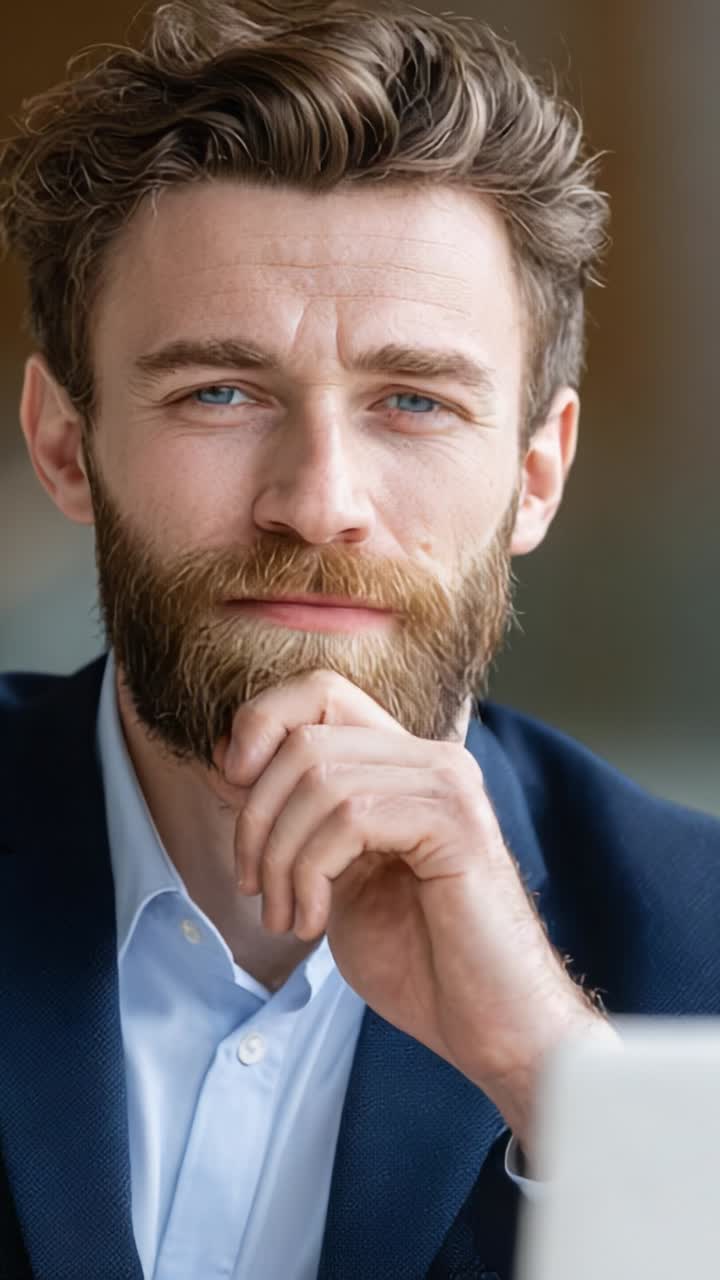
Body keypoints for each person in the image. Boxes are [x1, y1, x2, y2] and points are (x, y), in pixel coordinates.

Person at [1, 2, 719, 1277]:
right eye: (219, 392)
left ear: (538, 475)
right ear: (65, 440)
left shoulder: (700, 937)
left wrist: (553, 1075)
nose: (319, 498)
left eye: (413, 400)